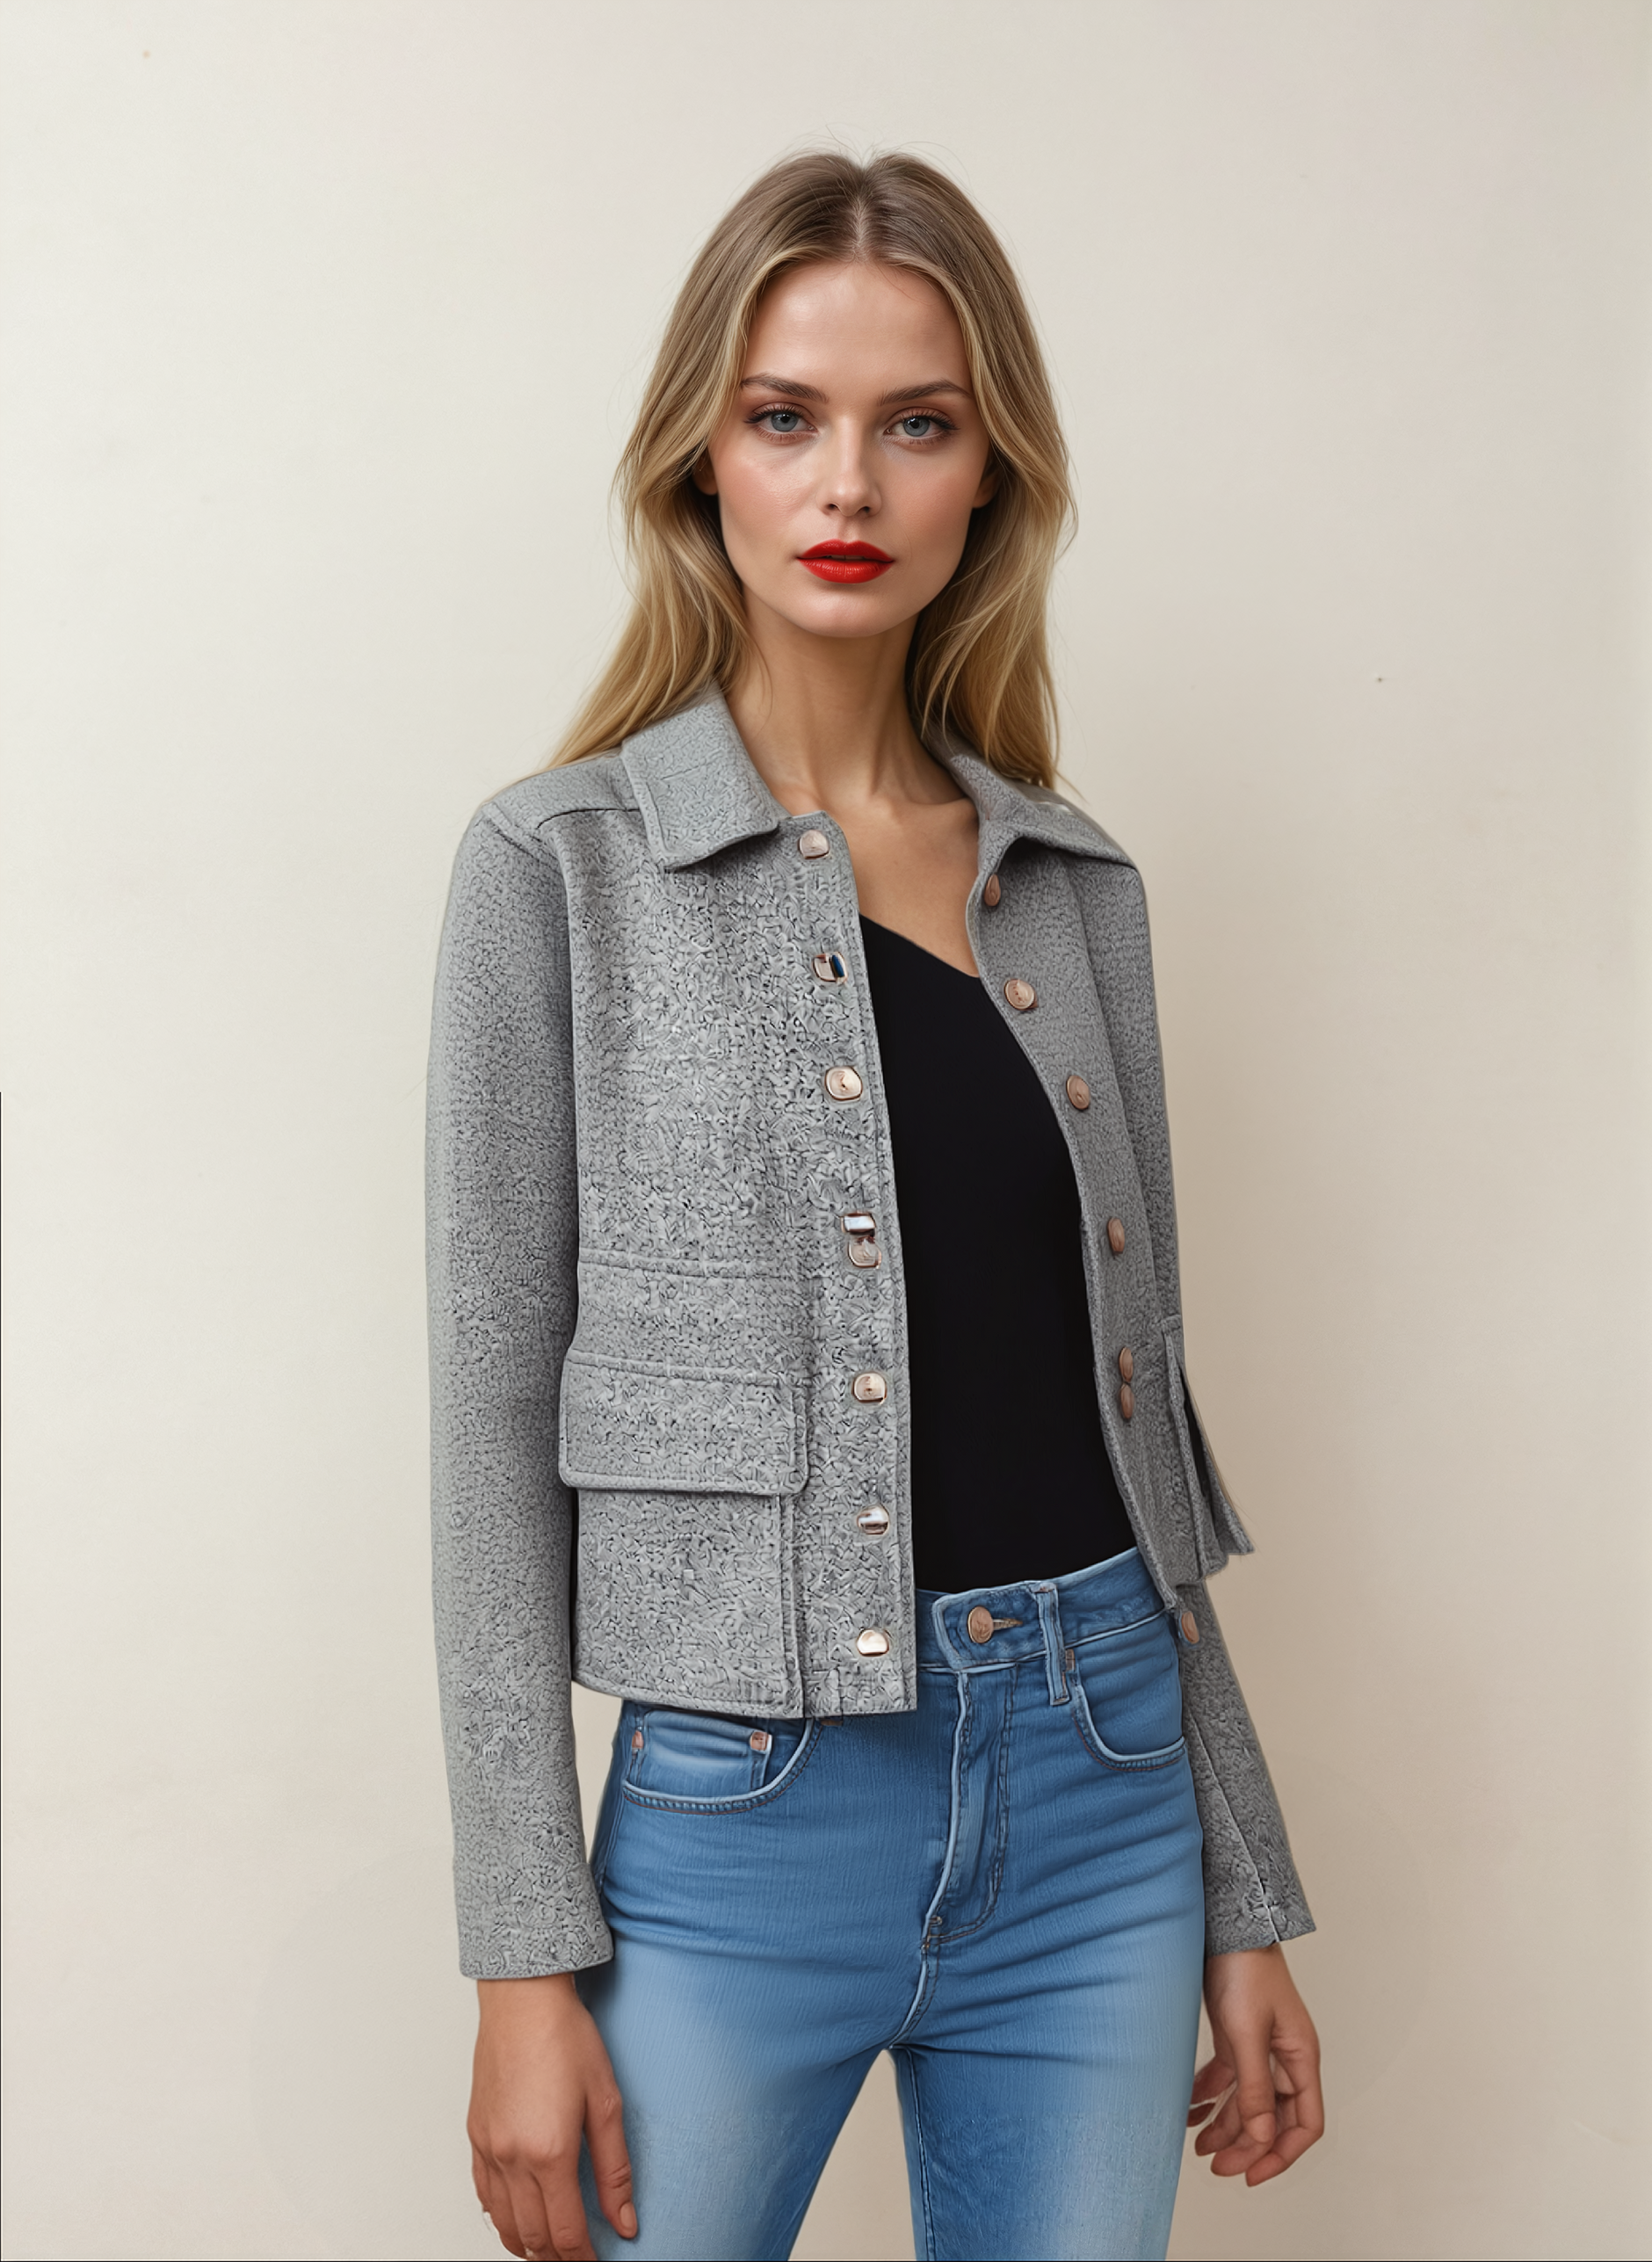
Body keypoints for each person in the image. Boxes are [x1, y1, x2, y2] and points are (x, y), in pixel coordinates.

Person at [427, 149, 1322, 2262]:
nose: (849, 483)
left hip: (1104, 1795)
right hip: (740, 1817)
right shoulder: (559, 873)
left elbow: (1135, 1427)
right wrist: (519, 1963)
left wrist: (1243, 1890)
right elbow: (485, 1439)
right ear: (700, 460)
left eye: (917, 423)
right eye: (785, 416)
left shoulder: (1070, 886)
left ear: (990, 475)